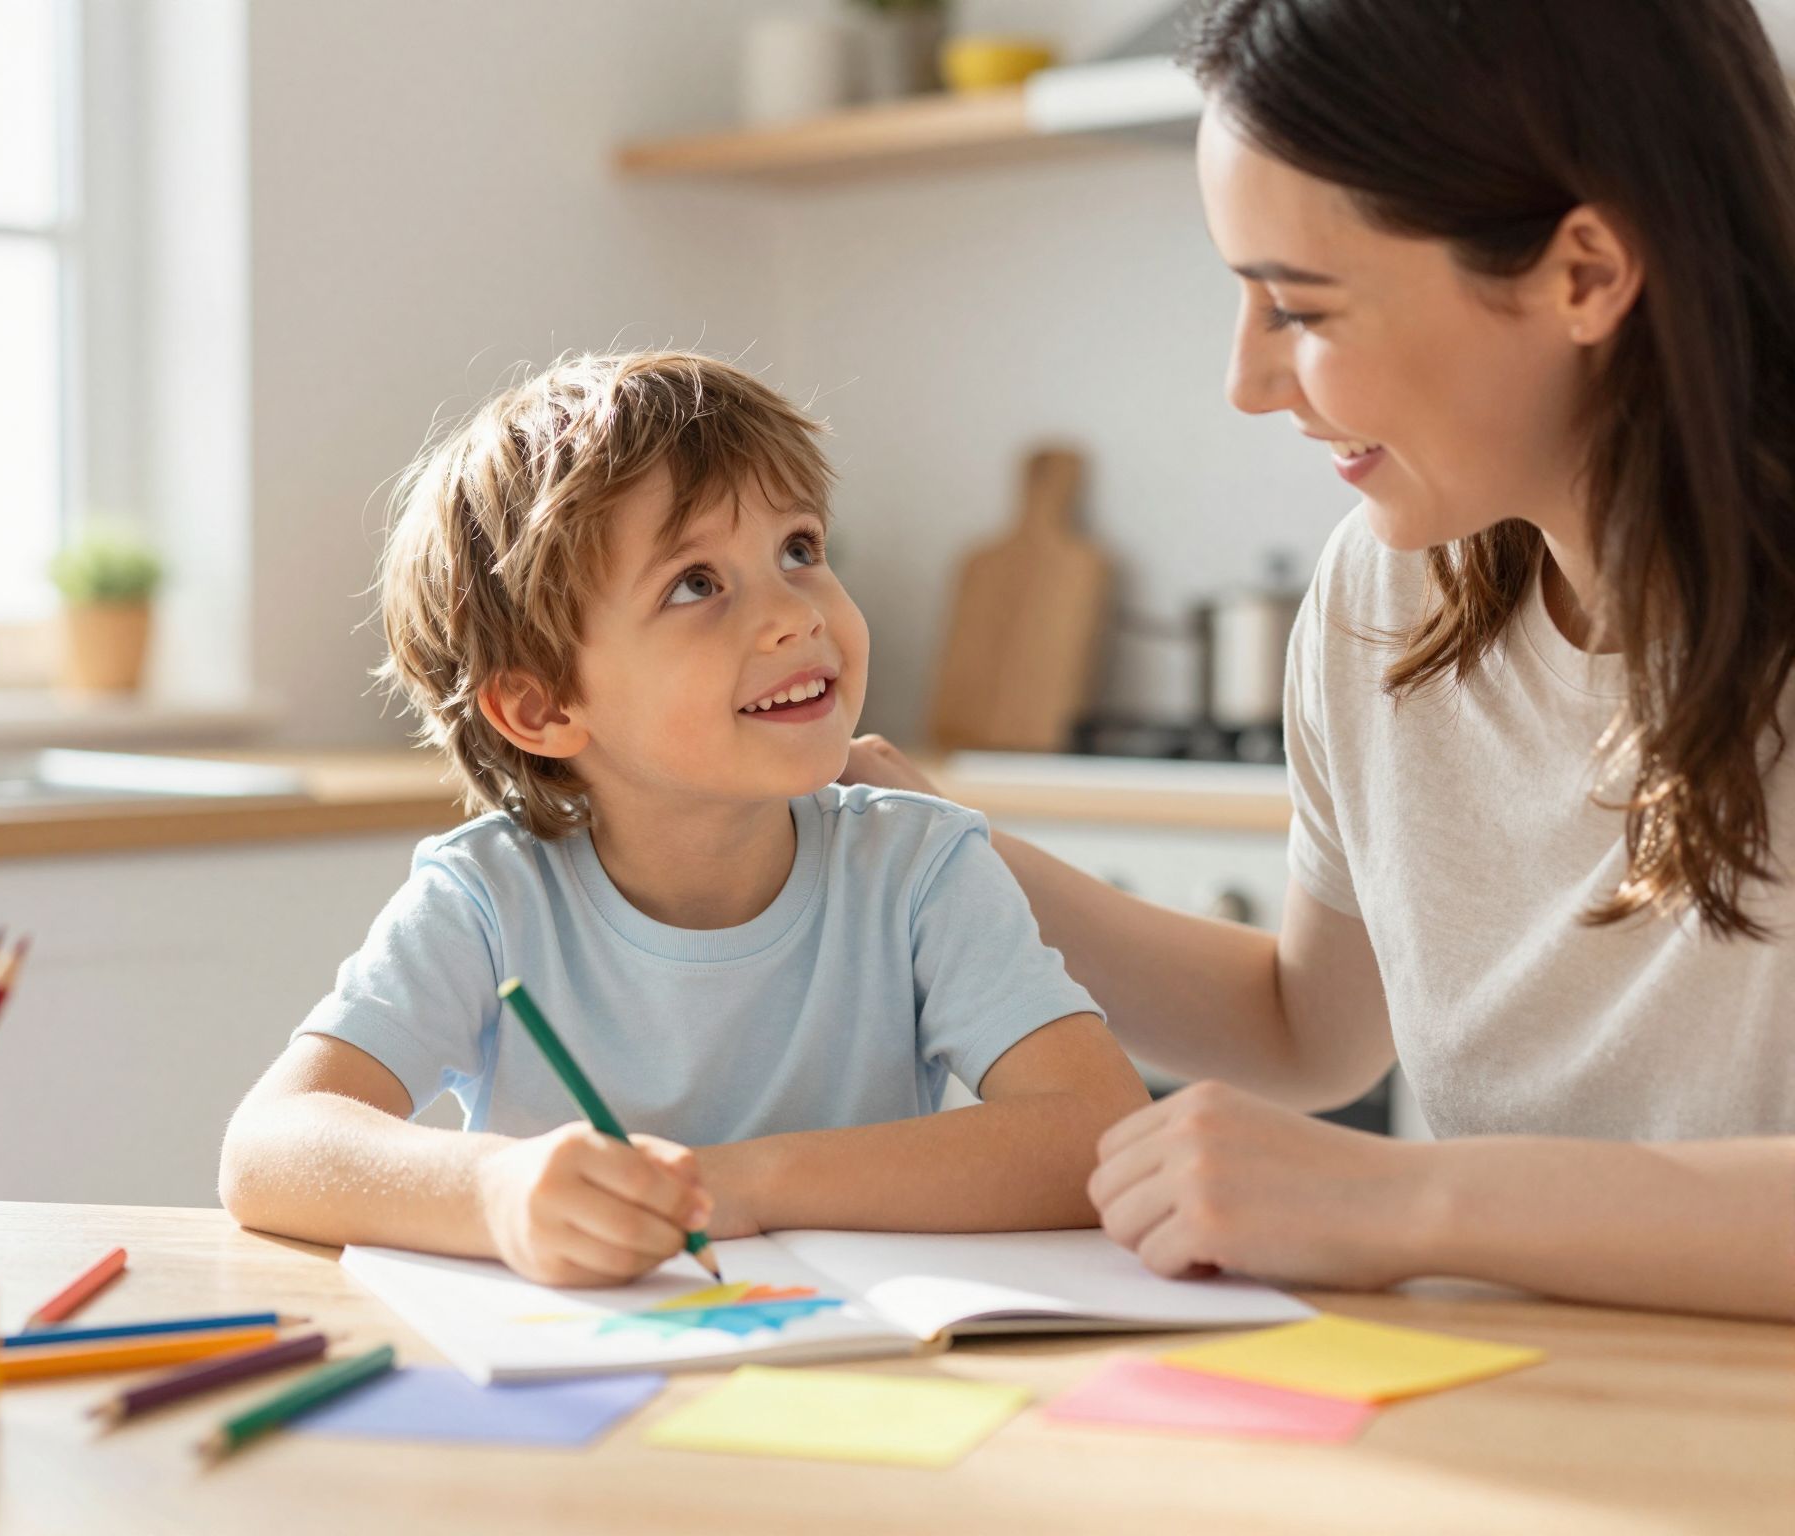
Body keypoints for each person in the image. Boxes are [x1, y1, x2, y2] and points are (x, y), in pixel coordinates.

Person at [847, 0, 1795, 1321]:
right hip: (1514, 1394)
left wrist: (1402, 1201)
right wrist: (939, 853)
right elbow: (1305, 1029)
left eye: (1297, 305)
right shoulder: (1389, 589)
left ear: (1583, 275)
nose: (1247, 381)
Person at [219, 351, 1149, 1286]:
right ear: (542, 706)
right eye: (696, 583)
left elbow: (1100, 1133)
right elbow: (269, 1147)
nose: (795, 615)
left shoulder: (919, 867)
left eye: (799, 549)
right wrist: (496, 1192)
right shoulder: (487, 900)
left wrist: (735, 1185)